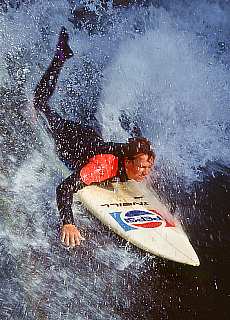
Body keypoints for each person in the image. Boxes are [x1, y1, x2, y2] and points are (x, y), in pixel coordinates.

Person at [34, 27, 155, 248]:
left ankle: (62, 56)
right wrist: (68, 223)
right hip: (69, 138)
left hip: (91, 139)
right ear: (127, 162)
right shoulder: (103, 167)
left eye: (148, 168)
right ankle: (60, 57)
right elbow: (64, 188)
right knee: (39, 105)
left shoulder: (132, 156)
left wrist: (142, 169)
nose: (146, 173)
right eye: (141, 168)